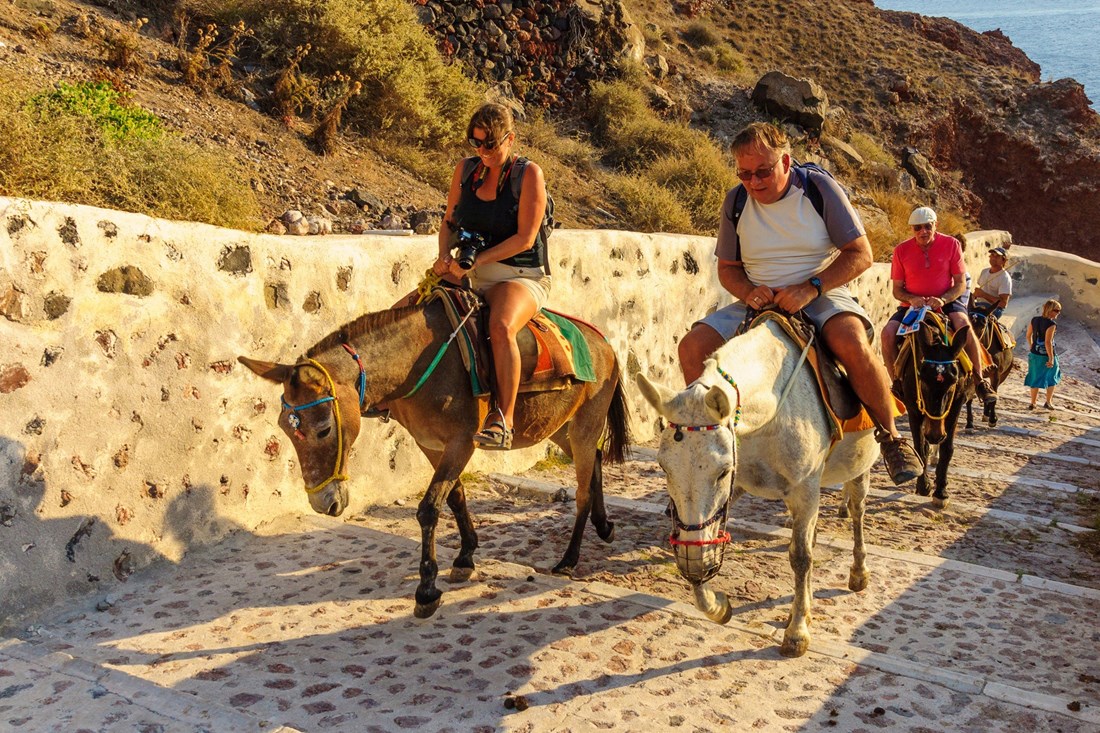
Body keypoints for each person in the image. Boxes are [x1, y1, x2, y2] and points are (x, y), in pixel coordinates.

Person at [677, 122, 923, 486]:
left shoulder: (817, 189)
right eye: (745, 174)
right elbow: (728, 269)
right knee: (693, 346)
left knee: (851, 342)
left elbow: (860, 254)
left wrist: (811, 287)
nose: (755, 182)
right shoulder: (737, 200)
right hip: (758, 301)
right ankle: (707, 440)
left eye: (763, 171)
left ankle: (891, 437)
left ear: (786, 161)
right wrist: (748, 292)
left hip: (818, 293)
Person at [435, 102, 550, 450]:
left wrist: (477, 261)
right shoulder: (466, 170)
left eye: (490, 144)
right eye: (476, 143)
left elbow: (525, 238)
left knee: (500, 326)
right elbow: (450, 222)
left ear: (510, 139)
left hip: (520, 273)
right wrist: (443, 256)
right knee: (416, 306)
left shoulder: (528, 174)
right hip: (471, 268)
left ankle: (504, 419)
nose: (482, 152)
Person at [880, 206, 996, 404]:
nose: (923, 231)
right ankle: (896, 383)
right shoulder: (901, 250)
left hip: (946, 302)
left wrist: (943, 299)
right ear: (912, 229)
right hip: (913, 306)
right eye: (917, 228)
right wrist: (912, 300)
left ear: (936, 225)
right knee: (887, 333)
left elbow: (960, 284)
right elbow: (897, 290)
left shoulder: (951, 244)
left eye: (927, 226)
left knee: (963, 325)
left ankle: (979, 380)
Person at [1025, 299, 1062, 410]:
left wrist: (1031, 345)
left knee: (1035, 377)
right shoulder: (1051, 324)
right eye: (1057, 310)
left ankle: (1033, 403)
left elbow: (1028, 335)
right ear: (1050, 310)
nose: (1058, 313)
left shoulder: (1034, 320)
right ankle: (1048, 402)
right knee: (1052, 377)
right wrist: (1051, 358)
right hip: (1046, 355)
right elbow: (1048, 342)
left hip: (1034, 354)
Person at [971, 246, 1013, 319]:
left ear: (1003, 260)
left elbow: (1003, 304)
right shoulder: (984, 272)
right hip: (979, 305)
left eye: (997, 256)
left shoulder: (1005, 278)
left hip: (994, 309)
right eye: (992, 255)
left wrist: (983, 295)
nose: (993, 258)